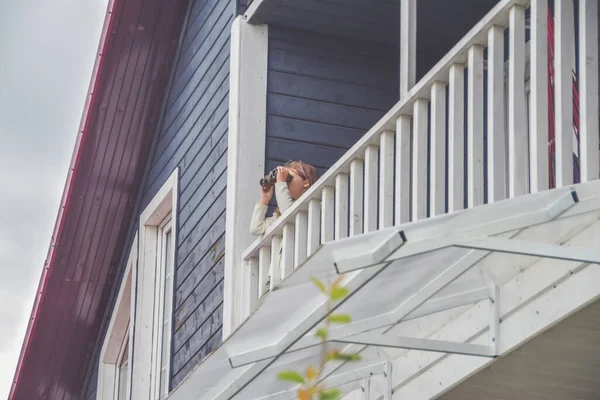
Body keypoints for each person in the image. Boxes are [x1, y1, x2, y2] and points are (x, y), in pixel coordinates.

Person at [250, 161, 318, 295]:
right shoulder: (281, 213)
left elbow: (290, 215)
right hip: (275, 277)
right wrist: (264, 199)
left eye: (289, 178)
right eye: (285, 180)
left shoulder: (311, 207)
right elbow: (256, 228)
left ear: (306, 183)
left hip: (294, 269)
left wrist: (280, 183)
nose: (284, 183)